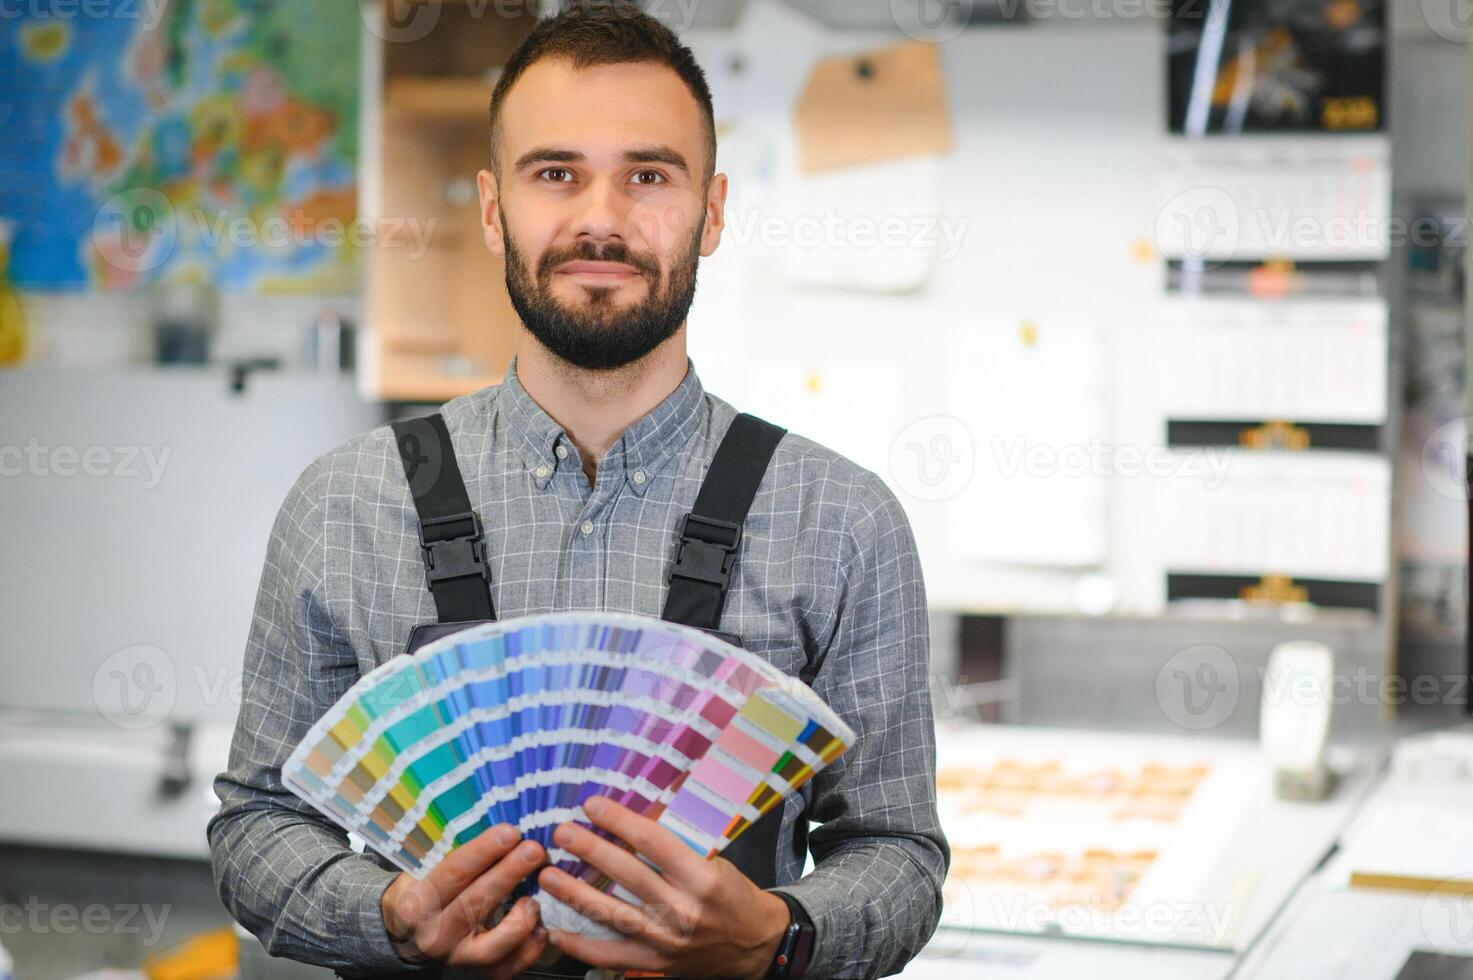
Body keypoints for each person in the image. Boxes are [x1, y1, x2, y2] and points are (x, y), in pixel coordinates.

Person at [208, 3, 948, 977]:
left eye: (649, 174)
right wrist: (386, 914)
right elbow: (258, 821)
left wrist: (775, 935)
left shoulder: (844, 521)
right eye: (556, 172)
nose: (601, 218)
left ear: (712, 210)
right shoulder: (343, 506)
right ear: (489, 206)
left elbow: (898, 851)